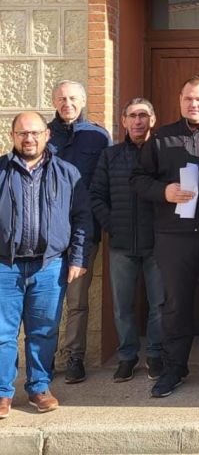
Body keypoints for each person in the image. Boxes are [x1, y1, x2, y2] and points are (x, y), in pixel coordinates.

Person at [131, 76, 199, 398]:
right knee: (175, 305)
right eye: (189, 98)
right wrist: (164, 191)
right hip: (173, 237)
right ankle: (174, 368)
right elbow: (137, 179)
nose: (194, 104)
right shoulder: (160, 138)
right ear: (180, 100)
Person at [0, 112, 92, 419]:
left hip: (49, 266)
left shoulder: (67, 173)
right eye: (22, 133)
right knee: (2, 333)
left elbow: (81, 219)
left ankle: (39, 387)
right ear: (12, 136)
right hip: (5, 266)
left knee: (44, 332)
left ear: (47, 135)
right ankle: (3, 393)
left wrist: (77, 258)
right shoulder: (0, 171)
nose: (29, 139)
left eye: (35, 133)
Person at [90, 98, 164, 383]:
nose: (138, 121)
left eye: (143, 115)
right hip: (121, 244)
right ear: (123, 121)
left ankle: (155, 355)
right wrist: (112, 225)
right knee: (122, 306)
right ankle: (127, 357)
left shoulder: (163, 153)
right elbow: (96, 195)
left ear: (152, 120)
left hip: (156, 243)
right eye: (132, 116)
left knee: (159, 303)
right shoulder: (110, 156)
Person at [48, 80, 111, 384]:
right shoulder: (42, 136)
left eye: (73, 98)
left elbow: (106, 184)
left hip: (84, 233)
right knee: (45, 301)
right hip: (45, 235)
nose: (67, 103)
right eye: (62, 98)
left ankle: (74, 357)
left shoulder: (98, 136)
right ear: (54, 101)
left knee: (77, 300)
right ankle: (45, 358)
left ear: (83, 100)